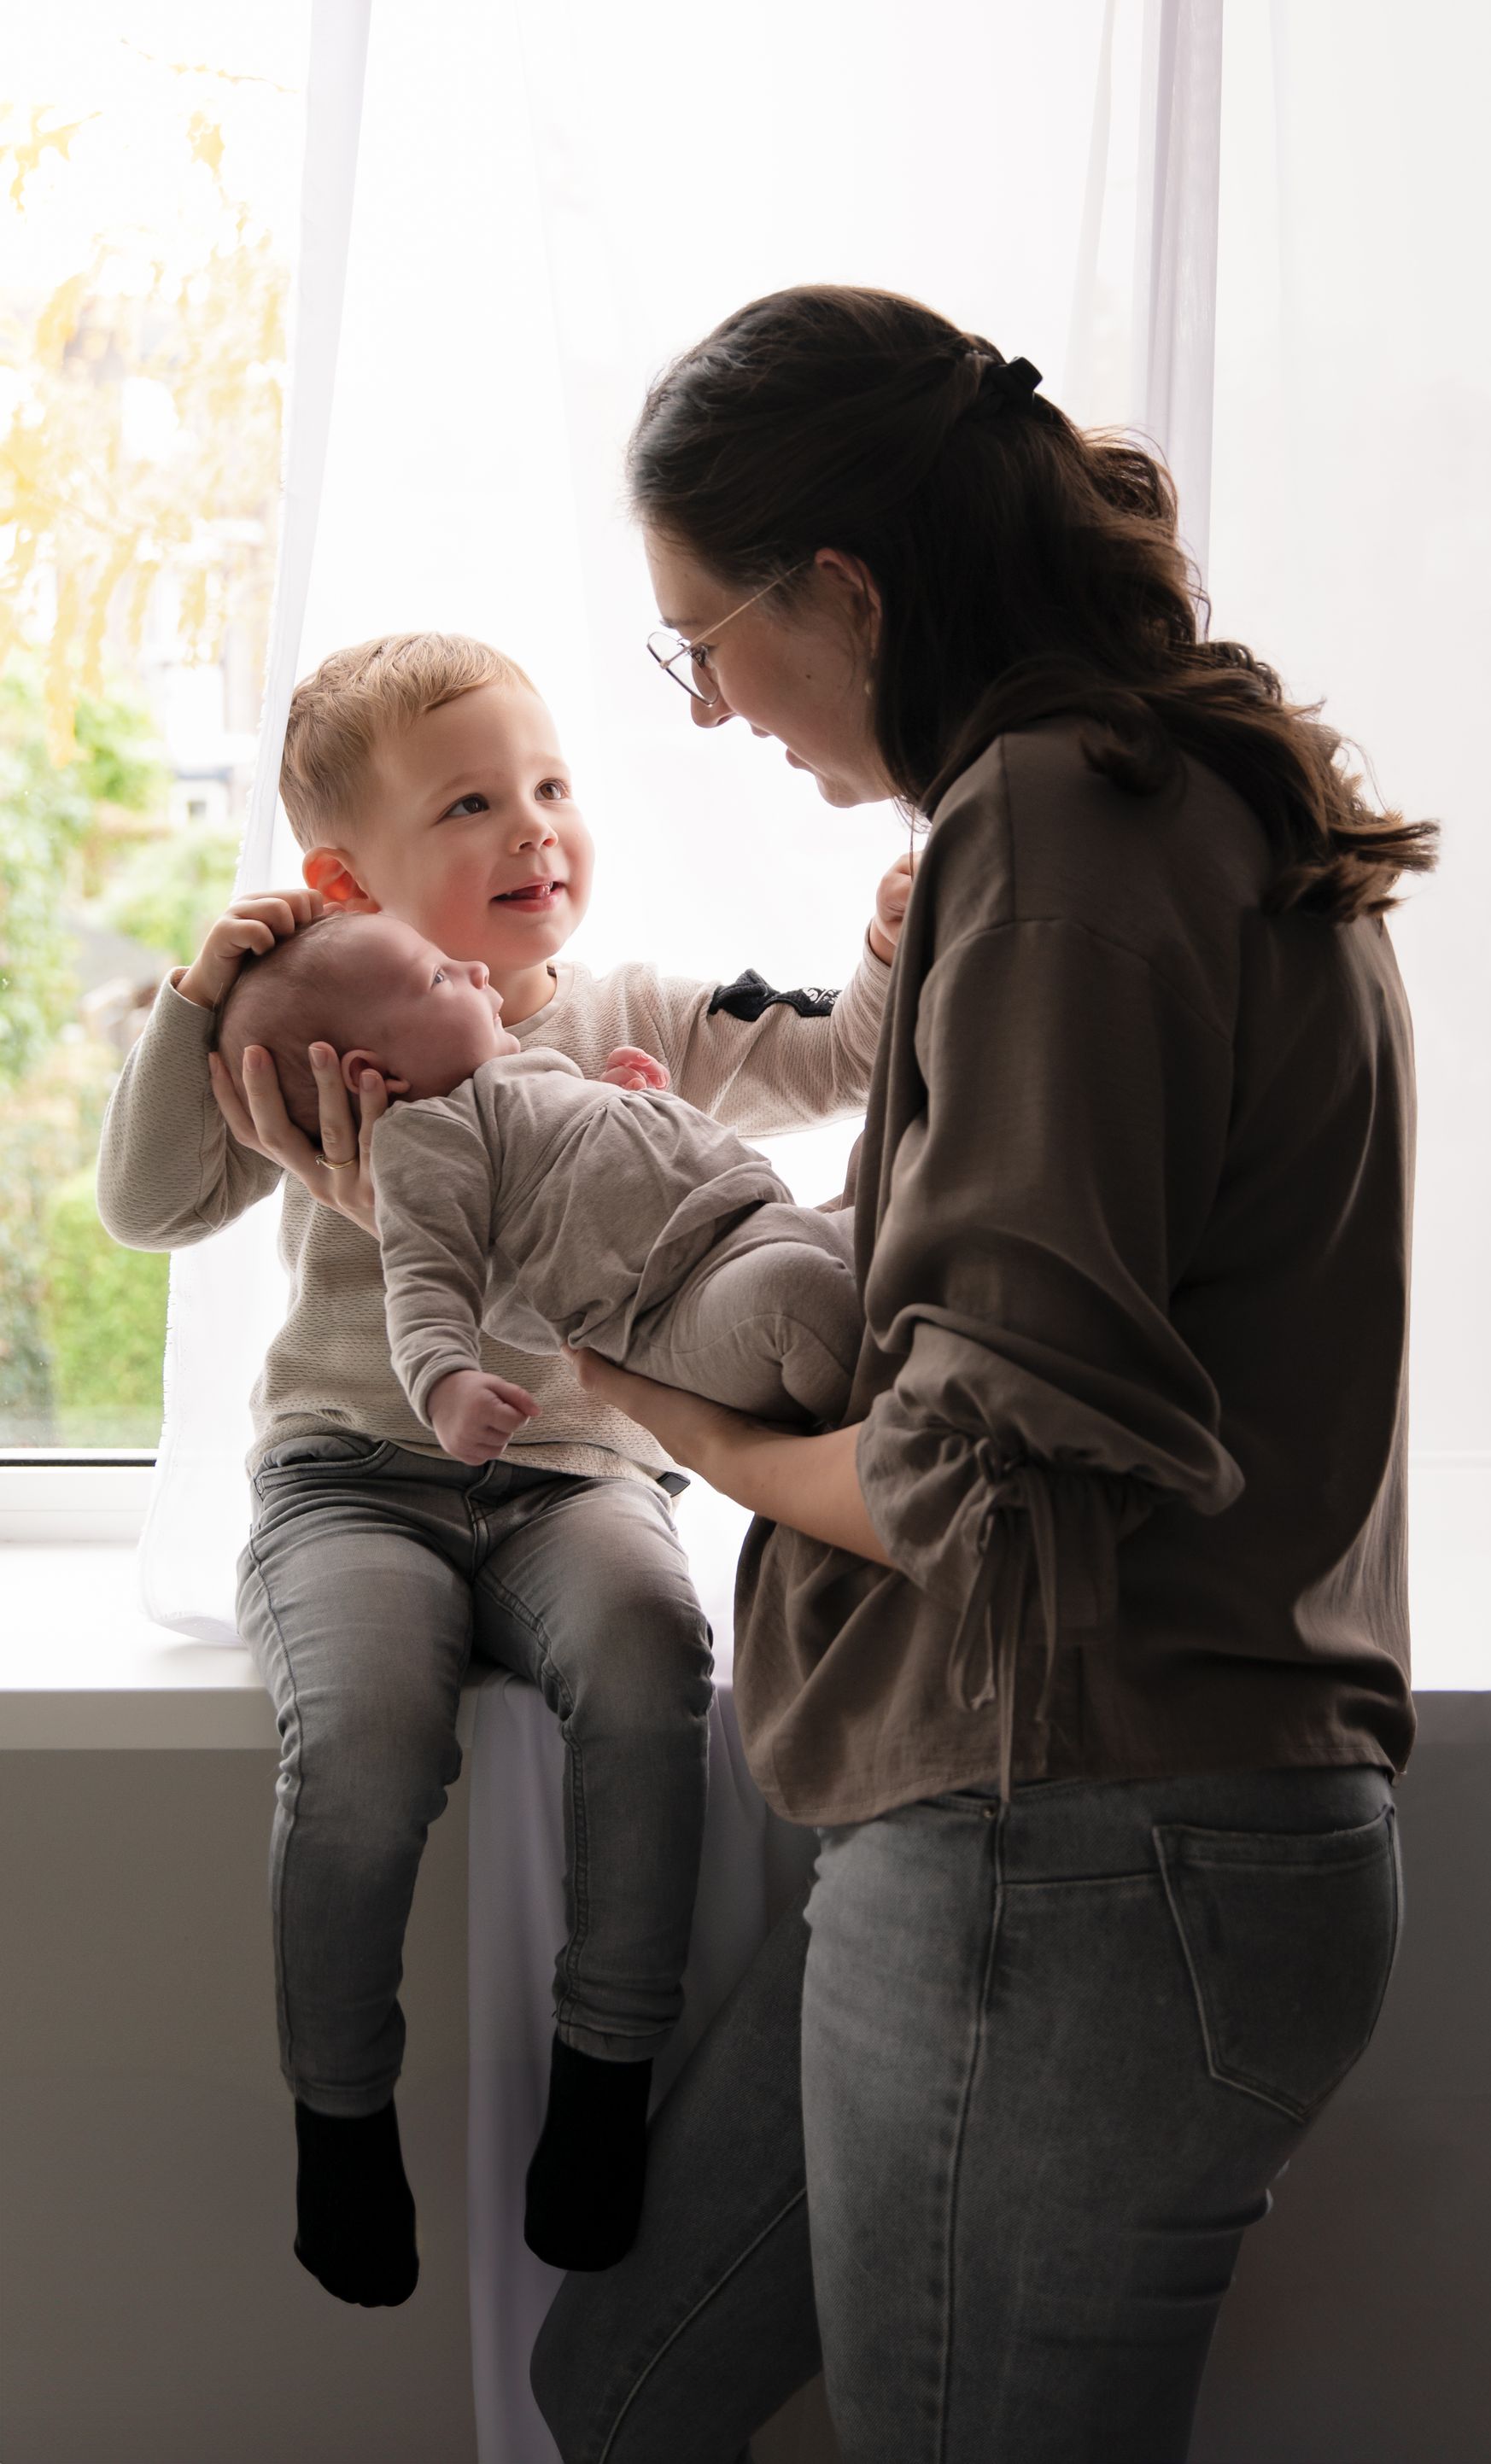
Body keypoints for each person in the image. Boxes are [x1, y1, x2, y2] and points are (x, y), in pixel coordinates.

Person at [525, 284, 1437, 2464]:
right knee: (623, 2381)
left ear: (841, 589)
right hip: (1081, 1835)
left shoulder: (1062, 823)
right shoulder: (1168, 783)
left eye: (703, 640)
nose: (712, 706)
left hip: (1086, 1854)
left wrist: (660, 1413)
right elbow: (999, 1323)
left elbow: (973, 1482)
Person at [96, 630, 908, 2305]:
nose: (536, 827)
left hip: (581, 1484)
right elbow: (152, 1208)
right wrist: (198, 1003)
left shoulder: (636, 1019)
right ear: (345, 879)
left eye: (550, 786)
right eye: (472, 803)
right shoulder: (333, 1039)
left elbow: (839, 1057)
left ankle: (603, 2075)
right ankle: (339, 2108)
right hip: (353, 1482)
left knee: (647, 1656)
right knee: (365, 1739)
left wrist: (896, 955)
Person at [213, 905, 862, 1455]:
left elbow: (573, 1170)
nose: (475, 970)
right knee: (794, 1298)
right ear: (367, 1071)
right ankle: (873, 1426)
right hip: (670, 1309)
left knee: (885, 1180)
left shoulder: (524, 1076)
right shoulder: (427, 1139)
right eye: (439, 977)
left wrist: (626, 1098)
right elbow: (425, 1278)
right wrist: (444, 1384)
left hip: (758, 1223)